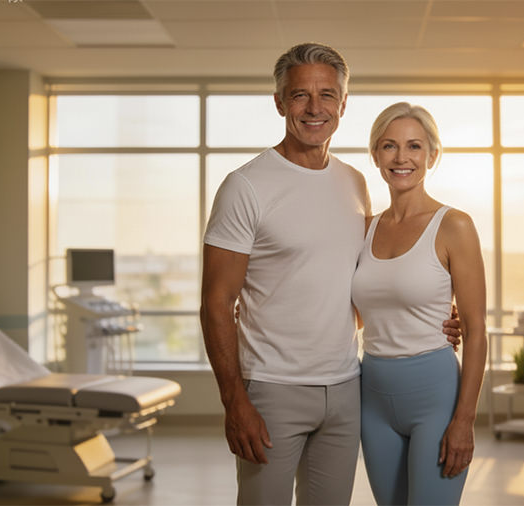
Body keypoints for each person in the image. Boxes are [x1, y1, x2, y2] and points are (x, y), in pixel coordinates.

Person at [199, 43, 461, 506]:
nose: (314, 108)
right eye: (300, 95)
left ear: (343, 104)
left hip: (346, 389)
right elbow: (216, 304)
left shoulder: (355, 183)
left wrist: (429, 313)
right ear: (280, 102)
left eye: (327, 95)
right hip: (272, 389)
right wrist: (234, 401)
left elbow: (365, 283)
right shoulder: (246, 186)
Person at [352, 102, 487, 505]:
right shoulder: (364, 227)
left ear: (432, 154)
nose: (401, 157)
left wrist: (464, 420)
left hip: (435, 394)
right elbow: (353, 313)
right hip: (372, 392)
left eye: (414, 146)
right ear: (375, 155)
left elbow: (477, 332)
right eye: (389, 146)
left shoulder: (454, 225)